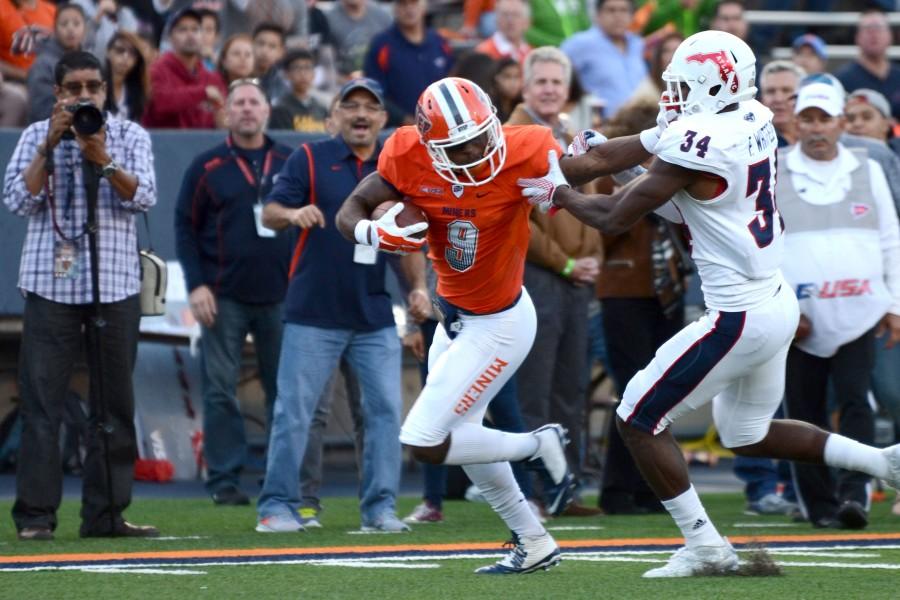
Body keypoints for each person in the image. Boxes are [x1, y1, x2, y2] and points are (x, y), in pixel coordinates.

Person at [517, 30, 900, 578]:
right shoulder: (751, 119)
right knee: (749, 431)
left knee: (637, 417)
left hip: (737, 316)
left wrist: (558, 194)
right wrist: (591, 164)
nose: (673, 94)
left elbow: (613, 216)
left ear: (713, 85)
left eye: (684, 84)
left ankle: (704, 544)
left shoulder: (701, 142)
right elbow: (675, 192)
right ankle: (882, 461)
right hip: (775, 300)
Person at [333, 73, 670, 572]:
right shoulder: (406, 152)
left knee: (425, 441)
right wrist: (372, 232)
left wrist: (654, 138)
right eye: (459, 146)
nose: (474, 152)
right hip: (455, 319)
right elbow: (352, 207)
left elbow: (593, 162)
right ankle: (533, 541)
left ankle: (540, 443)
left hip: (501, 323)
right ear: (430, 143)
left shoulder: (524, 147)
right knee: (467, 443)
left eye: (478, 138)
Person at [3, 50, 158, 540]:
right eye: (75, 89)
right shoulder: (34, 135)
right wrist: (48, 147)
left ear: (107, 91)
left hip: (113, 285)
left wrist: (104, 160)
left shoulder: (130, 135)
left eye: (94, 87)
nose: (85, 96)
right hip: (51, 287)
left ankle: (106, 515)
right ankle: (35, 518)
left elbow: (145, 196)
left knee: (113, 407)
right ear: (58, 94)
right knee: (42, 404)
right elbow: (16, 199)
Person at [255, 78, 420, 533]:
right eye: (352, 106)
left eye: (371, 106)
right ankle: (276, 507)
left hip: (373, 313)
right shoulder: (308, 157)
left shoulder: (398, 168)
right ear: (335, 115)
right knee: (295, 412)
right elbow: (270, 211)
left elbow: (411, 243)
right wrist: (292, 214)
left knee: (386, 412)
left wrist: (418, 291)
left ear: (384, 119)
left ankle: (380, 509)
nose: (362, 114)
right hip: (313, 312)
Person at [777, 82, 900, 530]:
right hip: (797, 320)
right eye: (807, 119)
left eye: (824, 119)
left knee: (855, 402)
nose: (815, 129)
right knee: (803, 411)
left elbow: (890, 237)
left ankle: (855, 495)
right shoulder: (773, 169)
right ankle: (819, 505)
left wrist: (895, 304)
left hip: (859, 312)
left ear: (841, 123)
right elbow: (761, 242)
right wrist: (782, 306)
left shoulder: (867, 167)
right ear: (794, 122)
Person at [174, 79, 294, 506]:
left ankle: (282, 477)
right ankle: (224, 479)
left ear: (266, 110)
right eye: (238, 102)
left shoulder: (289, 160)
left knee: (283, 389)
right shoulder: (207, 167)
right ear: (226, 112)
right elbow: (185, 228)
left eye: (253, 102)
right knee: (220, 387)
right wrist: (196, 286)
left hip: (281, 295)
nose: (246, 109)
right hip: (222, 294)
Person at [505, 47, 603, 517]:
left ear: (566, 89)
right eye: (540, 81)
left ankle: (567, 487)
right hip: (536, 278)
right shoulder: (511, 137)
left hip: (576, 280)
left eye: (555, 82)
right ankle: (533, 491)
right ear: (523, 88)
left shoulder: (567, 132)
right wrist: (567, 264)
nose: (548, 88)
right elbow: (519, 219)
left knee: (571, 387)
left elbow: (596, 199)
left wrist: (592, 258)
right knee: (535, 387)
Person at [363, 0, 454, 126]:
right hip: (396, 131)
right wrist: (404, 119)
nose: (409, 8)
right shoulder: (381, 45)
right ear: (394, 8)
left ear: (424, 5)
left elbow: (451, 83)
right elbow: (373, 92)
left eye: (414, 3)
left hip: (440, 125)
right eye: (403, 4)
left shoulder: (440, 42)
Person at [142, 7, 227, 129]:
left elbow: (223, 121)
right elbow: (159, 105)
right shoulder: (157, 70)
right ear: (171, 38)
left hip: (206, 145)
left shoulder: (213, 77)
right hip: (164, 145)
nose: (190, 35)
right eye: (182, 30)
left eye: (195, 29)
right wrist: (203, 93)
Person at [561, 0, 646, 119]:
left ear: (632, 15)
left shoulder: (637, 44)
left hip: (640, 126)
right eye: (611, 10)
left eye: (623, 10)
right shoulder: (579, 44)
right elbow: (558, 79)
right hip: (600, 128)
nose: (618, 16)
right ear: (598, 14)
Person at [27, 2, 87, 124]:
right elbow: (40, 110)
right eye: (64, 24)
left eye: (76, 24)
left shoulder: (89, 62)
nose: (70, 29)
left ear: (85, 29)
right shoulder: (43, 64)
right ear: (54, 28)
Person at [836, 9, 900, 121]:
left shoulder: (898, 76)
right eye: (867, 29)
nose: (874, 34)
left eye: (879, 28)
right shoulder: (843, 80)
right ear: (857, 37)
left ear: (890, 35)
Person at [269, 48, 329, 132]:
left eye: (307, 68)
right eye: (297, 68)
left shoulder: (321, 109)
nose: (303, 73)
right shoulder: (280, 109)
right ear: (287, 74)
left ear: (314, 74)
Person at [0, 0, 56, 83]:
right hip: (12, 81)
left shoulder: (52, 10)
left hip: (49, 80)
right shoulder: (2, 7)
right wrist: (24, 75)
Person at [103, 31, 150, 123]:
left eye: (132, 53)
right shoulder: (96, 84)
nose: (125, 57)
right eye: (120, 50)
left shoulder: (138, 89)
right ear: (108, 52)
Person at [474, 0, 531, 64]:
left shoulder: (530, 54)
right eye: (505, 14)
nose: (510, 20)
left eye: (516, 15)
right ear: (496, 20)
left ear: (527, 22)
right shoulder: (483, 52)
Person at [252, 22, 288, 102]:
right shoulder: (235, 74)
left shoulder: (282, 89)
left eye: (272, 46)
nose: (265, 51)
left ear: (281, 52)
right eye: (260, 44)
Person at [489, 56, 522, 123]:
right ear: (496, 78)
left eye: (517, 76)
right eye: (507, 76)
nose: (513, 83)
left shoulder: (523, 106)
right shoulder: (489, 107)